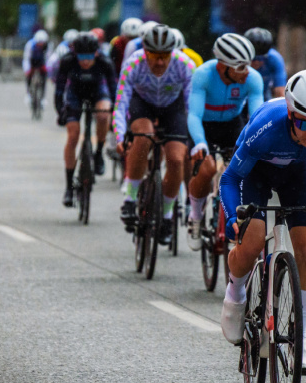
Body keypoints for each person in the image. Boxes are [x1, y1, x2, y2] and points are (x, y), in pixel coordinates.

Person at [219, 70, 306, 373]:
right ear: (291, 114)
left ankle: (300, 335)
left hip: (298, 171)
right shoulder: (266, 128)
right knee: (251, 242)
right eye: (304, 123)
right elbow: (230, 178)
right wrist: (232, 216)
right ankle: (235, 293)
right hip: (255, 171)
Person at [116, 24, 196, 245]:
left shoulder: (185, 65)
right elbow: (121, 104)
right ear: (145, 51)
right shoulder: (133, 63)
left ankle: (167, 215)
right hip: (143, 104)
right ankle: (130, 198)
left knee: (177, 159)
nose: (160, 62)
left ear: (173, 52)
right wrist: (120, 135)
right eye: (154, 56)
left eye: (165, 56)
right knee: (144, 136)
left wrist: (195, 139)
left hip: (173, 108)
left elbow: (192, 108)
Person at [187, 33, 263, 251]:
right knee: (207, 168)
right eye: (241, 67)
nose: (247, 71)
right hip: (204, 125)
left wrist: (256, 143)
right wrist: (200, 143)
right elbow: (194, 115)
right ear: (222, 66)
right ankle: (195, 216)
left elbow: (257, 117)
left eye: (248, 65)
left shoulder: (253, 78)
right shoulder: (203, 75)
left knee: (242, 170)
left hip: (232, 124)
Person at [55, 33, 118, 207]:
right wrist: (60, 112)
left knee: (103, 114)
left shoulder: (105, 62)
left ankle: (98, 153)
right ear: (75, 54)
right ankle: (69, 186)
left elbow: (114, 89)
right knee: (73, 135)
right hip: (75, 93)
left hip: (98, 91)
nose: (85, 61)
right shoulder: (67, 61)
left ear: (96, 53)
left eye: (89, 57)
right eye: (81, 57)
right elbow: (59, 90)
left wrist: (114, 112)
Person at [244, 27, 287, 100]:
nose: (257, 62)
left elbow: (280, 91)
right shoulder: (238, 58)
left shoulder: (274, 58)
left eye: (260, 58)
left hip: (263, 93)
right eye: (253, 59)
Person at [22, 30, 49, 105]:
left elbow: (48, 58)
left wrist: (47, 69)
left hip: (42, 62)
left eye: (42, 43)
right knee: (28, 76)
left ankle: (43, 97)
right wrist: (27, 70)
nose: (40, 45)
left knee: (44, 77)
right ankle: (28, 94)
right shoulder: (29, 44)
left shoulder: (48, 46)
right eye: (39, 43)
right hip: (32, 62)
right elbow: (26, 58)